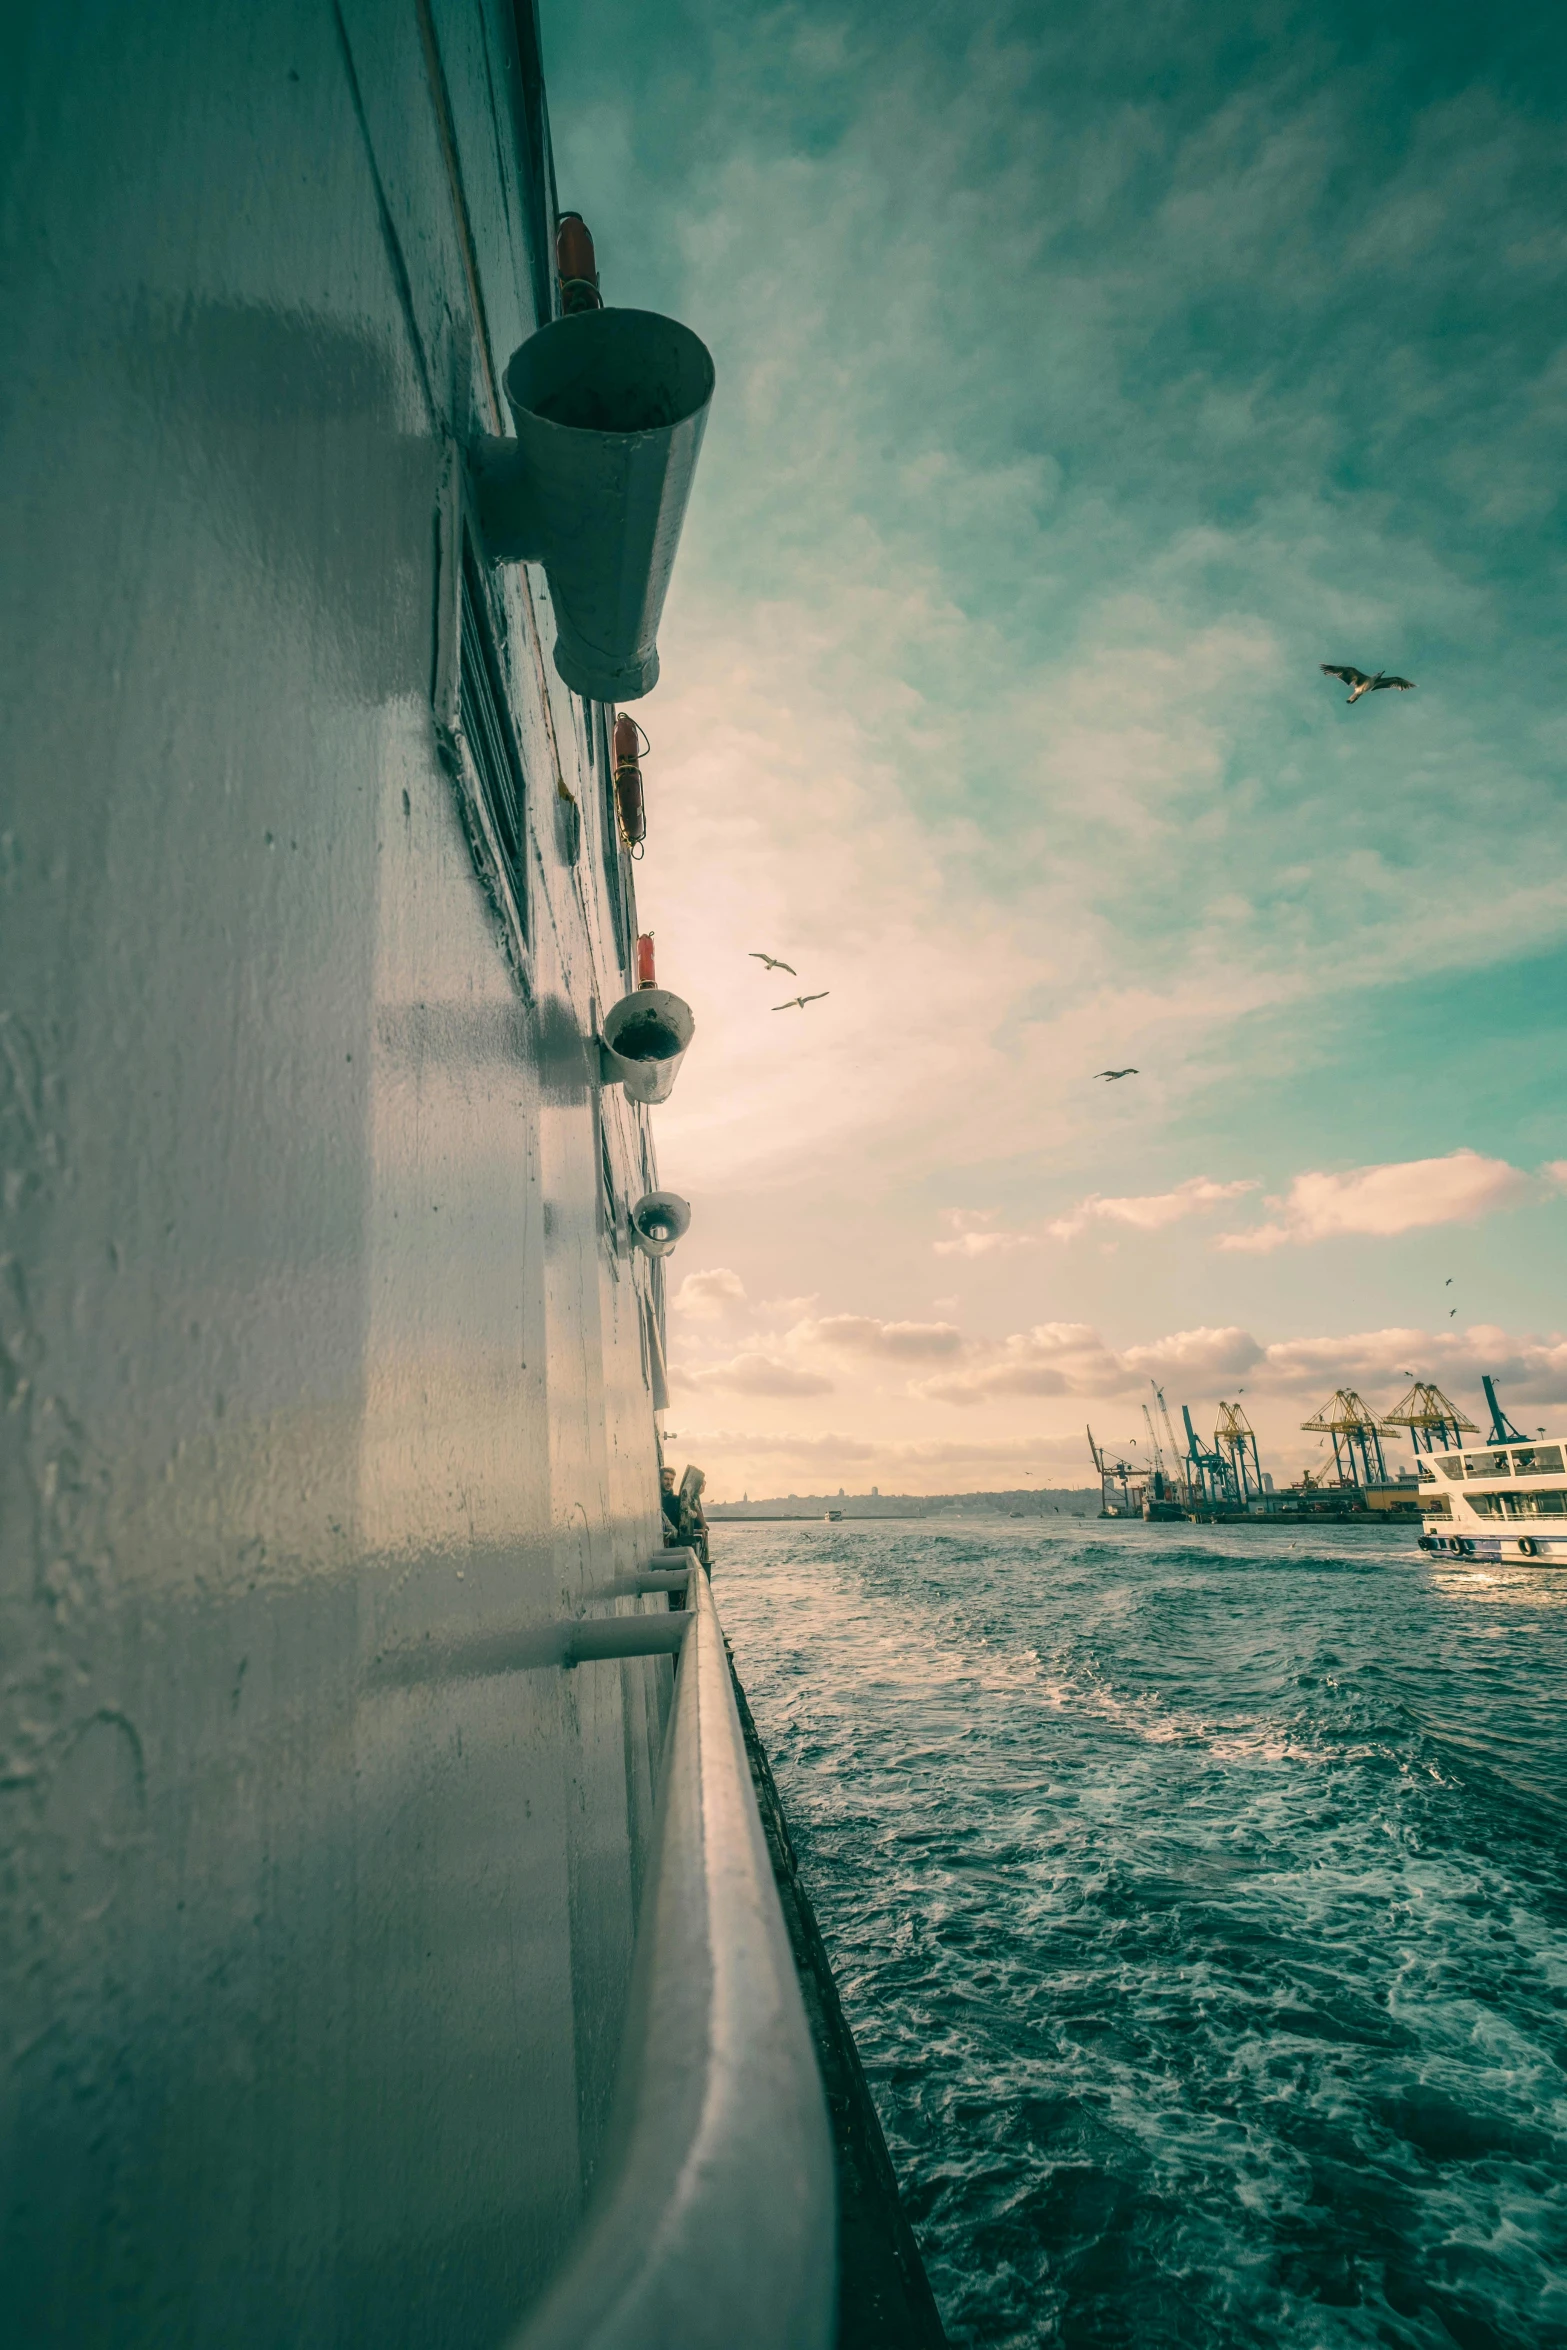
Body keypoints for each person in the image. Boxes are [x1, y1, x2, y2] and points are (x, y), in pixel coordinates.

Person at [659, 1465, 683, 1545]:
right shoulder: (655, 1501)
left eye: (672, 1479)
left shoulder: (676, 1500)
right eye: (666, 1479)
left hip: (673, 1542)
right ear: (659, 1479)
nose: (669, 1483)